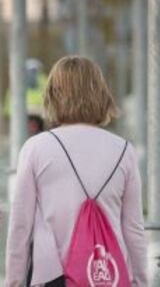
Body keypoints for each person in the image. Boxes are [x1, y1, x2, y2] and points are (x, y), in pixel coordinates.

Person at [5, 56, 147, 286]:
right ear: (101, 94)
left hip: (53, 278)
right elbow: (134, 229)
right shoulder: (124, 151)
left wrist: (14, 282)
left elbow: (20, 229)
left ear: (52, 94)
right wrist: (140, 281)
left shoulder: (35, 149)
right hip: (109, 275)